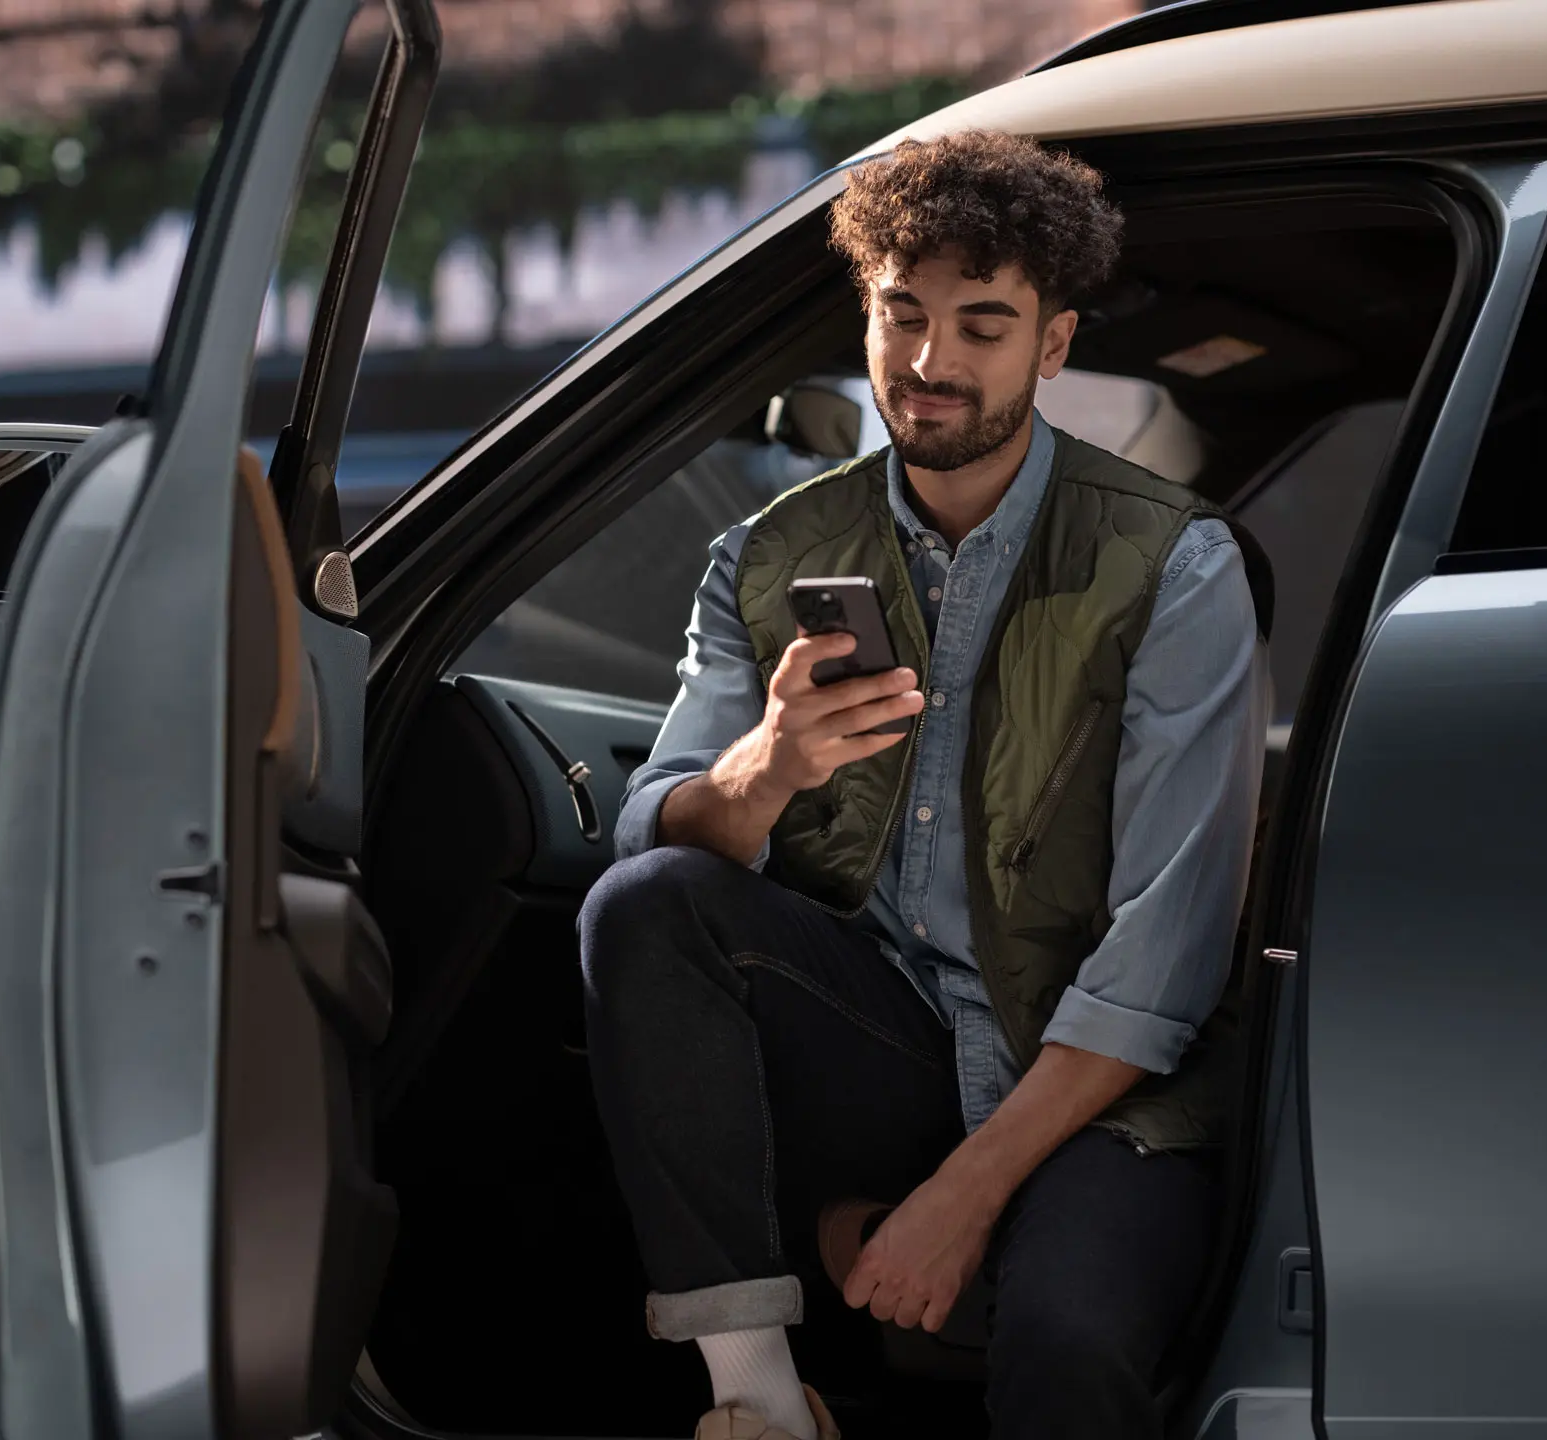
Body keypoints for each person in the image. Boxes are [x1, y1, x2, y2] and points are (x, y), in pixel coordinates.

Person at [579, 129, 1271, 1440]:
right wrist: (763, 774)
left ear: (1054, 348)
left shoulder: (1173, 568)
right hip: (886, 1035)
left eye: (983, 324)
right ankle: (762, 1404)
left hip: (1092, 1083)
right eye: (903, 315)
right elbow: (648, 830)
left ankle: (883, 1241)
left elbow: (1166, 969)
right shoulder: (772, 552)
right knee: (649, 905)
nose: (932, 363)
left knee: (1068, 1339)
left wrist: (958, 1203)